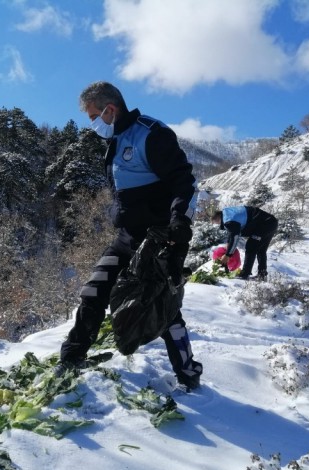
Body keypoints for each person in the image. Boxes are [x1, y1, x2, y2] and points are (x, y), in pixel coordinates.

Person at [56, 81, 203, 390]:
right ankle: (71, 359)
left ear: (111, 109)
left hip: (159, 238)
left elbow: (184, 183)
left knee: (160, 307)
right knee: (94, 292)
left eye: (94, 115)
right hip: (127, 236)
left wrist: (179, 225)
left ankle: (188, 374)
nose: (92, 124)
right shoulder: (116, 138)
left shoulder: (151, 134)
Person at [211, 206, 278, 280]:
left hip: (264, 224)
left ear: (218, 218)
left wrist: (227, 255)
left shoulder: (228, 220)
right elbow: (232, 234)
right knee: (261, 250)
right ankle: (262, 275)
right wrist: (228, 245)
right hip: (271, 222)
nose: (218, 225)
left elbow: (235, 237)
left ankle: (245, 273)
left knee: (251, 246)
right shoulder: (228, 213)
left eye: (217, 223)